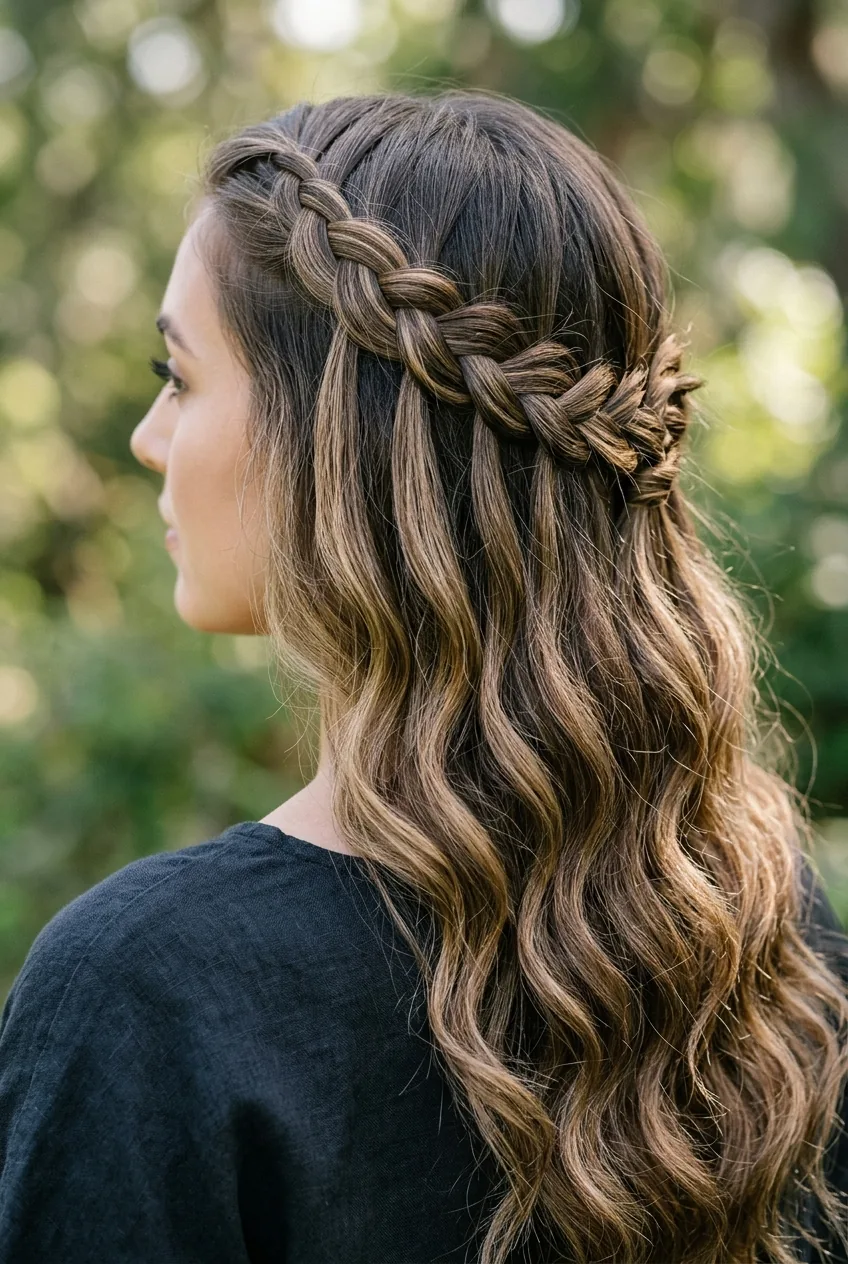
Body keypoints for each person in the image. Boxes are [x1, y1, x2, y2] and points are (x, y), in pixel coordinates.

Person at [1, 90, 847, 1264]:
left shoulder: (148, 995)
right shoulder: (754, 928)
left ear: (326, 434)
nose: (149, 435)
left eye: (180, 375)